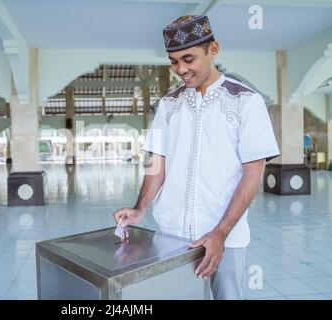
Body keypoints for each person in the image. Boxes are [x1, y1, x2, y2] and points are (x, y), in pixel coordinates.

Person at [113, 15, 280, 300]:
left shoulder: (246, 102)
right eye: (174, 61)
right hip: (171, 236)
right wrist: (140, 208)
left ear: (213, 50)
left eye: (188, 59)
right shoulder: (169, 105)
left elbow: (253, 173)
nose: (181, 69)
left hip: (225, 236)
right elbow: (157, 161)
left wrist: (220, 233)